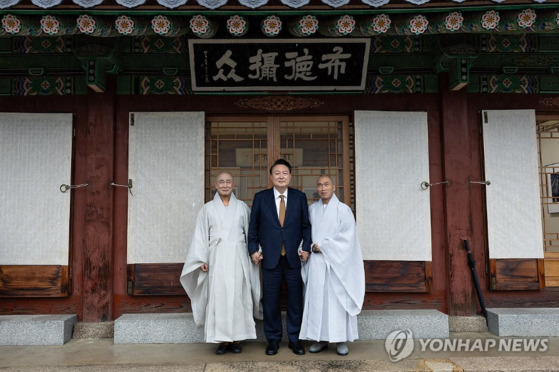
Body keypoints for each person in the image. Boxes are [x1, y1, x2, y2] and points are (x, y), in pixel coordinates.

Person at [180, 172, 262, 355]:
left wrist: (255, 251)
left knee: (239, 296)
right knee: (219, 297)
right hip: (216, 257)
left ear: (233, 184)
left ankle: (237, 338)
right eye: (221, 182)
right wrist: (201, 258)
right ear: (215, 185)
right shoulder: (207, 209)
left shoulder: (242, 208)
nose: (225, 185)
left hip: (238, 256)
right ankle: (222, 340)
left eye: (228, 182)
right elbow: (200, 235)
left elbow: (251, 234)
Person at [248, 159, 311, 356]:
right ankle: (273, 340)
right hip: (270, 258)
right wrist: (253, 250)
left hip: (293, 258)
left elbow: (306, 226)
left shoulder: (299, 197)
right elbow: (253, 228)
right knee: (271, 301)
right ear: (271, 176)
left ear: (290, 176)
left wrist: (307, 247)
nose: (281, 176)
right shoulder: (261, 198)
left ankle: (295, 339)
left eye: (285, 173)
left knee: (295, 301)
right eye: (277, 173)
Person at [299, 175, 365, 356]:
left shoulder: (343, 211)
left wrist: (326, 246)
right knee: (318, 301)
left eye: (326, 184)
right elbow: (304, 233)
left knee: (337, 302)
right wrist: (306, 248)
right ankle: (319, 338)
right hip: (316, 263)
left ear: (334, 187)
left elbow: (347, 238)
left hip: (336, 265)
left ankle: (340, 339)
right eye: (319, 185)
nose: (322, 188)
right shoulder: (312, 210)